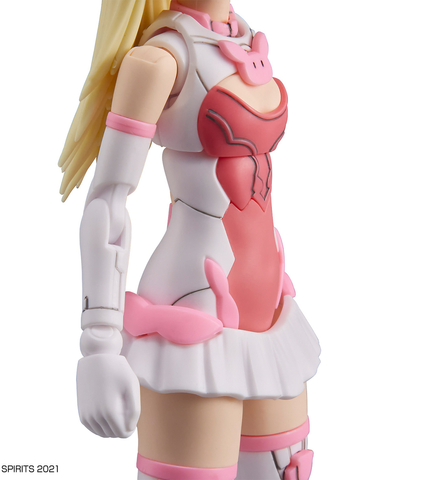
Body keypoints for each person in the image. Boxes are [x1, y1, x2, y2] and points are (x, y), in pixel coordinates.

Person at [59, 1, 321, 479]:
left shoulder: (245, 37)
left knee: (289, 468)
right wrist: (97, 344)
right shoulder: (159, 61)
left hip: (271, 310)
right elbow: (108, 203)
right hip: (193, 314)